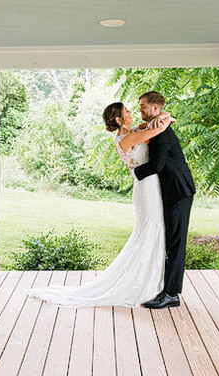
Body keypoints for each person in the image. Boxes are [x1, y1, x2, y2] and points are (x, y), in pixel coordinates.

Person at [27, 102, 173, 307]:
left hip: (150, 184)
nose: (132, 113)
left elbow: (156, 123)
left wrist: (164, 115)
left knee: (154, 231)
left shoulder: (132, 131)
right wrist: (166, 117)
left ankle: (154, 283)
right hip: (146, 188)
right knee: (150, 231)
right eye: (127, 112)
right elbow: (158, 128)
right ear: (118, 120)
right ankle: (146, 285)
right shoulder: (127, 138)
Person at [134, 91, 196, 309]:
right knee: (171, 239)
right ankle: (166, 288)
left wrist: (134, 172)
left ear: (155, 109)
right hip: (171, 189)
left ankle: (171, 294)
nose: (140, 109)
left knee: (176, 242)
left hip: (179, 190)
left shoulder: (161, 132)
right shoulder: (156, 125)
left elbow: (156, 166)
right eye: (139, 106)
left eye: (143, 106)